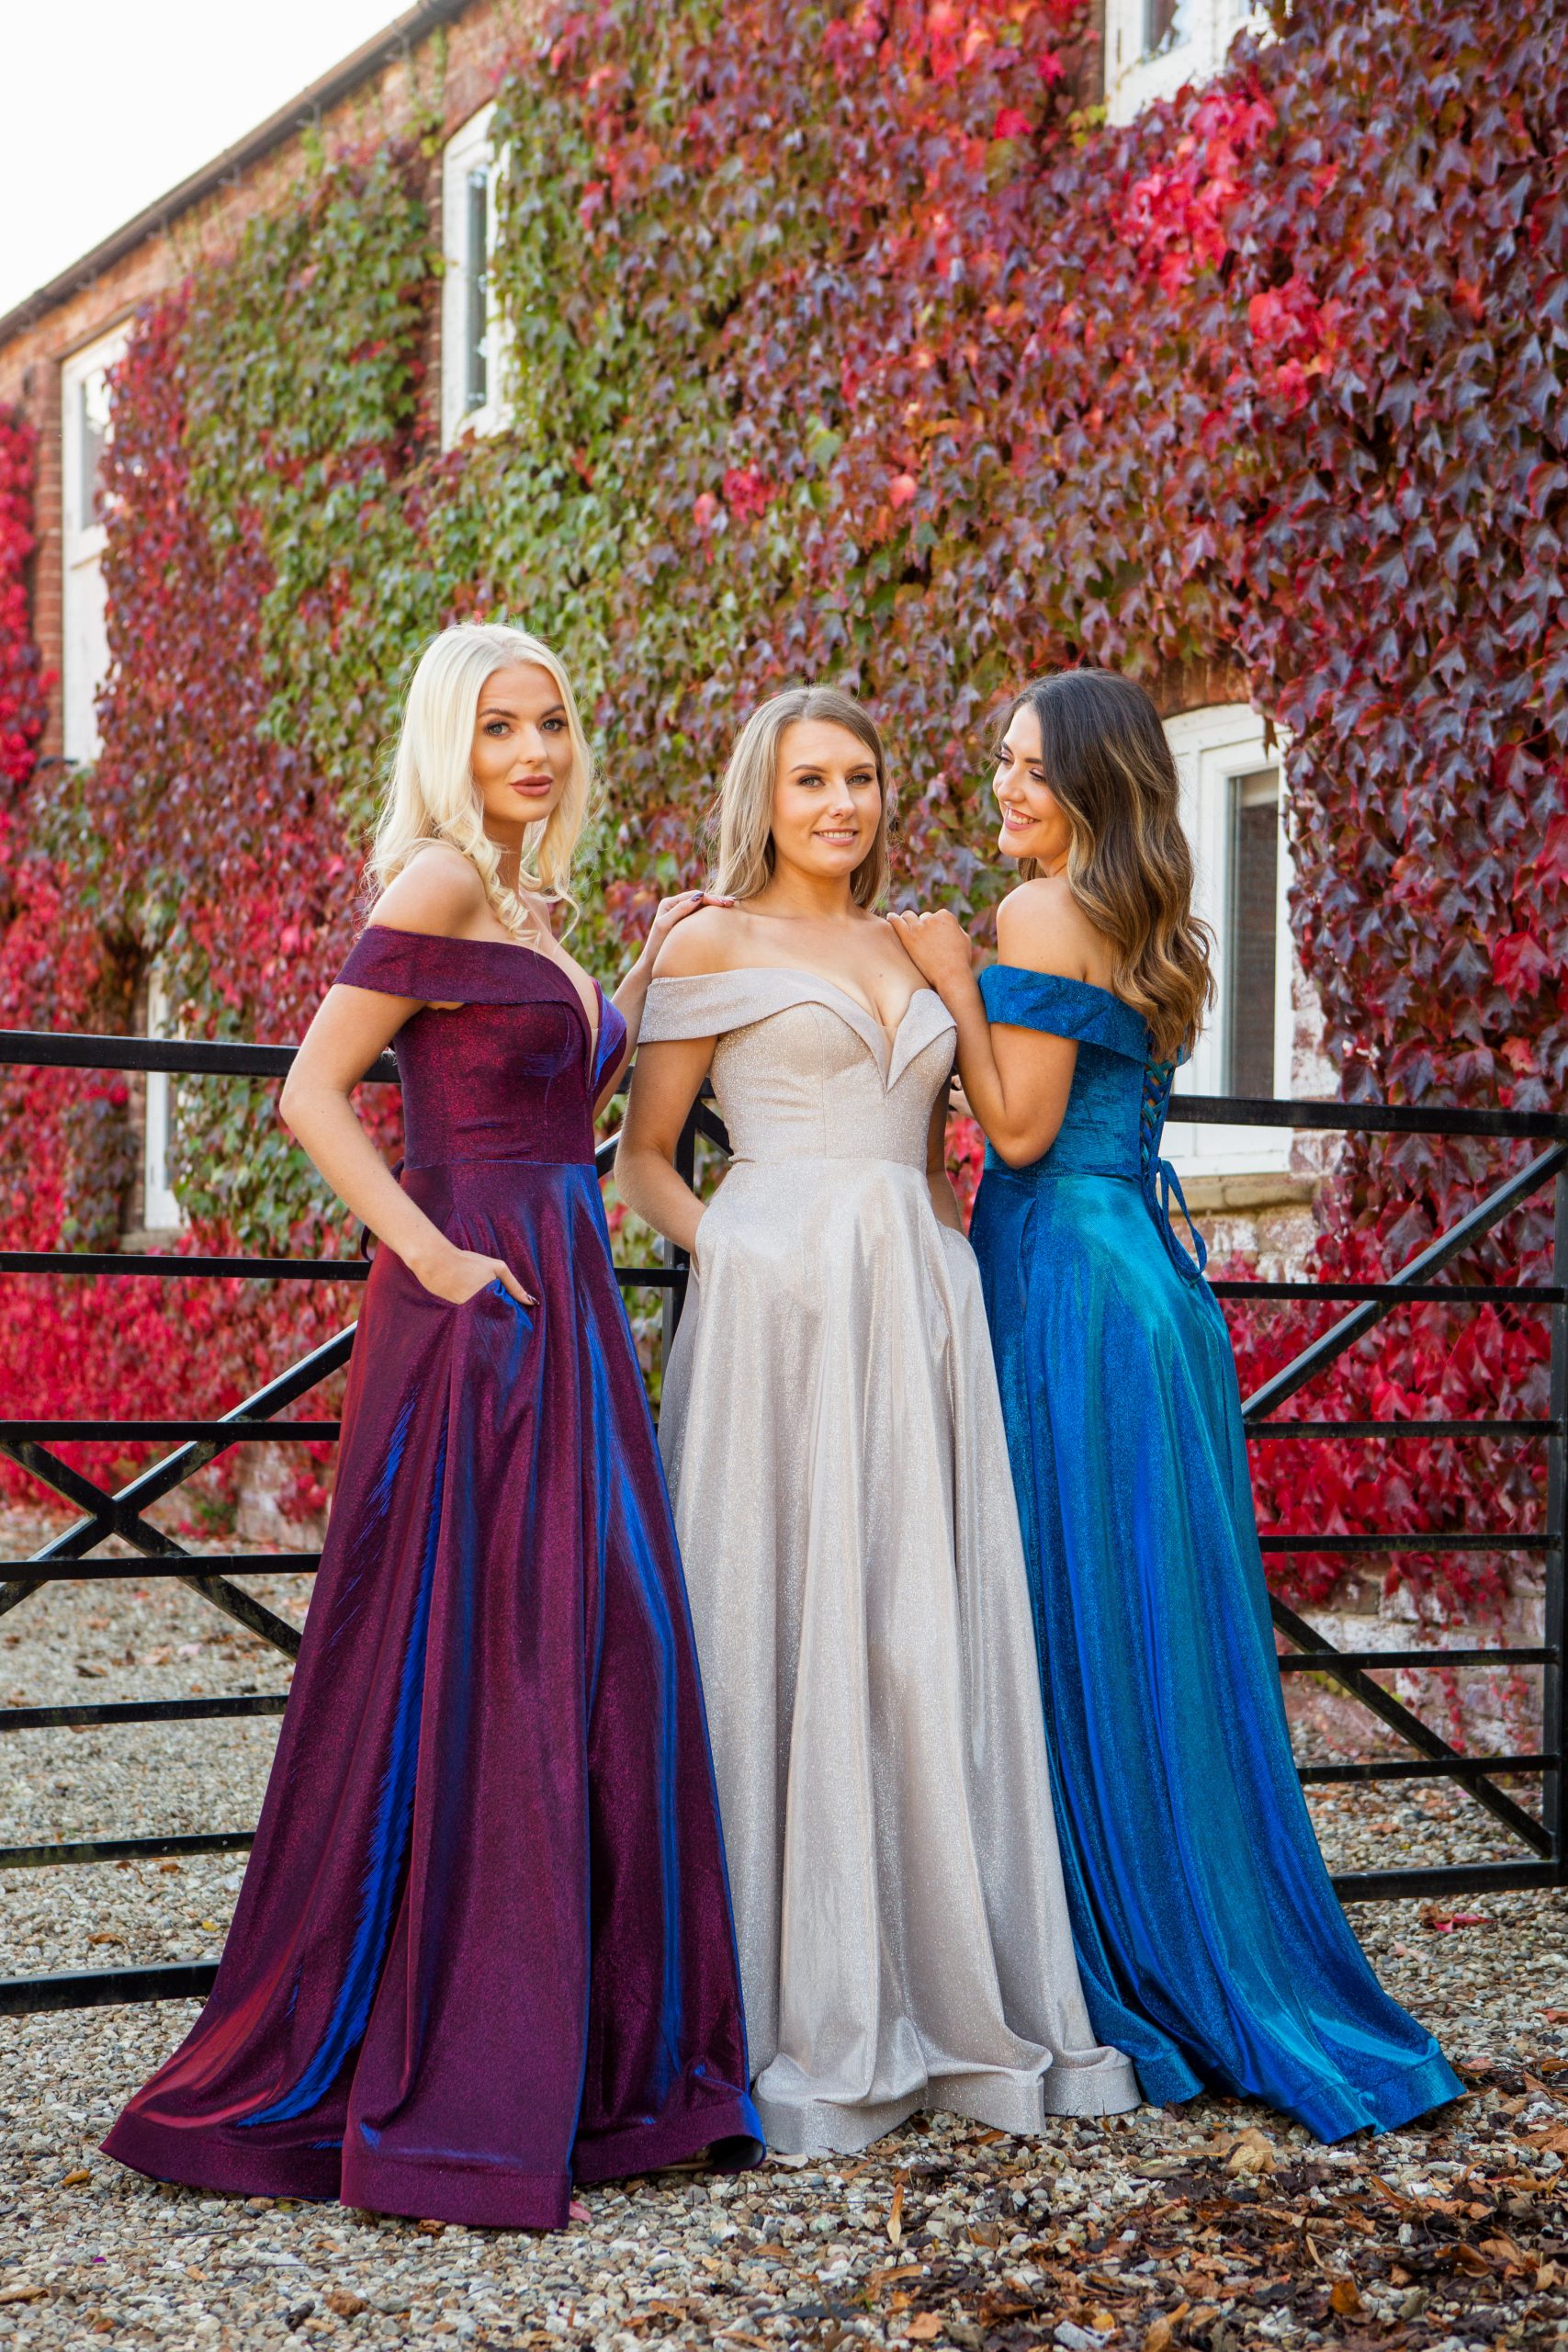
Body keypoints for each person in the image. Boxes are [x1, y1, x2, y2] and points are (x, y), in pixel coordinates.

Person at [103, 623, 761, 2228]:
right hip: (478, 1298)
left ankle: (594, 2060)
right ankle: (465, 2052)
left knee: (591, 1641)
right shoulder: (442, 883)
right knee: (490, 1646)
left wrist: (645, 969)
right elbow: (311, 1091)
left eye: (550, 723)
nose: (531, 751)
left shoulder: (530, 905)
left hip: (560, 1293)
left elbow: (564, 1106)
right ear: (445, 744)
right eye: (495, 728)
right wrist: (435, 1253)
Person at [889, 667, 1463, 2142]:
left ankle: (1117, 1943)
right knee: (1149, 1611)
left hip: (1067, 1282)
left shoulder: (1034, 913)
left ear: (1092, 784)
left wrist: (947, 972)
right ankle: (1194, 1917)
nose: (1004, 787)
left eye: (1031, 768)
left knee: (1074, 1601)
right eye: (1002, 761)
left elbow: (1019, 1130)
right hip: (1145, 1284)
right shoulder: (1153, 921)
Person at [615, 685, 1138, 2156]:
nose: (840, 804)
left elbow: (954, 1153)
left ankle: (930, 1982)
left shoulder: (917, 941)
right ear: (763, 796)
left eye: (860, 777)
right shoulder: (709, 941)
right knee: (778, 1618)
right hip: (774, 1314)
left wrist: (944, 1271)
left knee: (916, 1629)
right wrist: (736, 1253)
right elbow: (643, 1162)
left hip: (917, 1305)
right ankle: (781, 1992)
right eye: (810, 781)